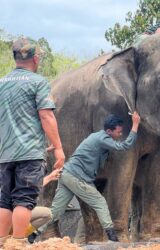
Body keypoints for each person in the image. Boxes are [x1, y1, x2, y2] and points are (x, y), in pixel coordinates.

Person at [0, 38, 65, 248]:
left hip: (4, 154)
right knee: (23, 199)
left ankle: (2, 242)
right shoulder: (38, 83)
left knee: (4, 200)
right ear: (35, 58)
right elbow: (46, 116)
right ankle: (18, 243)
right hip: (28, 154)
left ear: (15, 58)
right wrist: (58, 149)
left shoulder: (1, 83)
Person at [36, 113, 141, 242]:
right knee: (100, 202)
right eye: (118, 132)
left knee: (56, 211)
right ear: (109, 131)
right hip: (76, 177)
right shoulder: (103, 139)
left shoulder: (96, 136)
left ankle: (33, 234)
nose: (120, 134)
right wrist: (135, 125)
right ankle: (113, 238)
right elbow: (124, 146)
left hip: (67, 174)